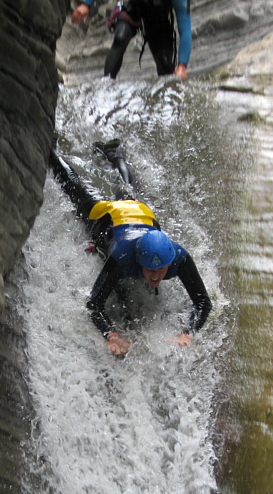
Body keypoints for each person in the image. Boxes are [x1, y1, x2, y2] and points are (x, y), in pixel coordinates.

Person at [49, 140, 212, 356]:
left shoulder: (178, 257)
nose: (156, 276)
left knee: (127, 189)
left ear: (169, 262)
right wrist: (111, 334)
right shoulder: (122, 257)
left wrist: (187, 333)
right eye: (150, 269)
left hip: (141, 213)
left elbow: (203, 303)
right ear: (138, 261)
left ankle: (114, 154)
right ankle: (51, 153)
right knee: (74, 187)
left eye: (161, 269)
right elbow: (94, 304)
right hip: (109, 219)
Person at [71, 0, 192, 80]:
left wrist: (182, 65)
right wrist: (86, 5)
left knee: (165, 61)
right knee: (120, 37)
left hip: (158, 22)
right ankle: (106, 82)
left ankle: (166, 95)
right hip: (134, 10)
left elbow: (185, 30)